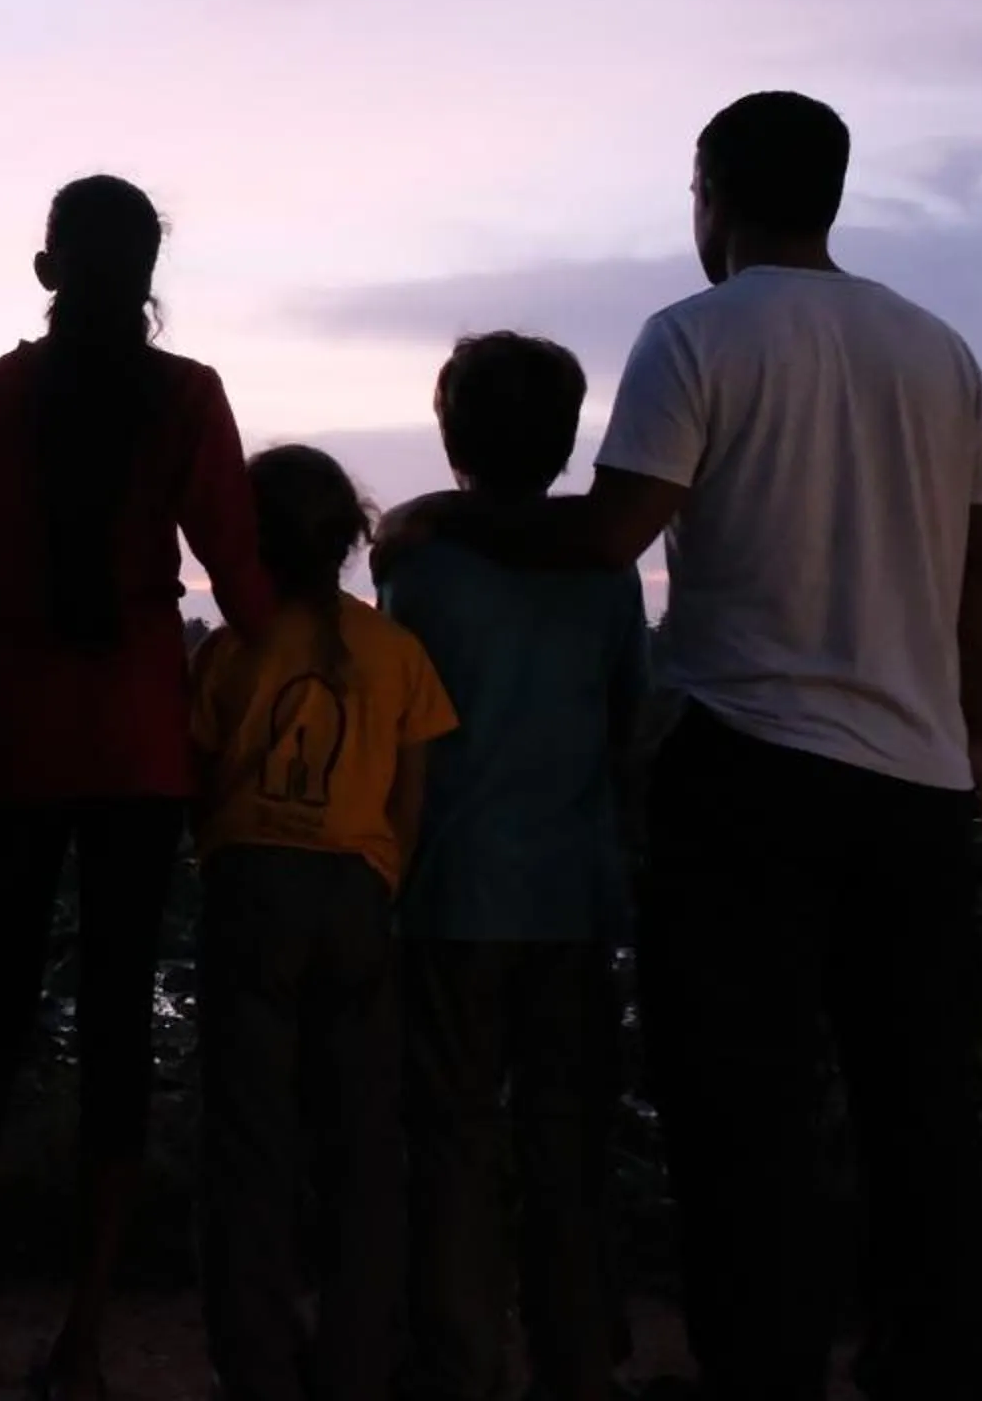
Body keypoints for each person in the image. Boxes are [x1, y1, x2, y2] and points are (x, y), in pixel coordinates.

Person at [378, 92, 982, 1401]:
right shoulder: (942, 354)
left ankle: (763, 1366)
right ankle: (929, 1363)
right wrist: (977, 753)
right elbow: (981, 599)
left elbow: (610, 537)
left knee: (746, 1111)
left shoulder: (698, 337)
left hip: (751, 773)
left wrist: (447, 518)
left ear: (712, 195)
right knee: (918, 1108)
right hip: (919, 787)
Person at [0, 176, 273, 1401]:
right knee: (115, 1025)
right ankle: (85, 1342)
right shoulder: (189, 396)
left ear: (46, 270)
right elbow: (248, 594)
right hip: (143, 750)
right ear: (150, 271)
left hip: (12, 747)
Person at [381, 334, 648, 1401]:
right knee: (569, 1142)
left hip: (449, 894)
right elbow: (628, 721)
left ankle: (458, 1363)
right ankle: (579, 1362)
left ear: (451, 432)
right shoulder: (606, 567)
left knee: (450, 1140)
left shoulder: (420, 567)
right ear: (568, 437)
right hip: (575, 896)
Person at [190, 445, 457, 1401]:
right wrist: (382, 882)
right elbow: (411, 799)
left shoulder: (231, 649)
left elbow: (204, 776)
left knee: (251, 1145)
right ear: (349, 540)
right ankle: (356, 1362)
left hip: (252, 887)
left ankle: (258, 1365)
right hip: (357, 893)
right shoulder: (396, 652)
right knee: (361, 1148)